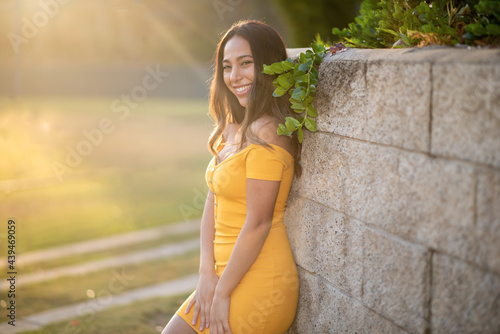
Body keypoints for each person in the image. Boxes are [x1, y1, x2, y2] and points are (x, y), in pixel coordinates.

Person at [162, 20, 301, 334]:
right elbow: (213, 202)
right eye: (226, 66)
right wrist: (206, 274)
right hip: (221, 275)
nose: (234, 76)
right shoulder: (231, 128)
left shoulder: (270, 133)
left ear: (268, 65)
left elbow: (259, 221)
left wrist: (223, 292)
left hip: (260, 280)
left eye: (246, 63)